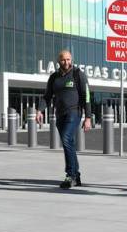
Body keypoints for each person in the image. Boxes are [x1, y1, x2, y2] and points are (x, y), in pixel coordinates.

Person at [37, 49, 92, 189]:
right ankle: (77, 175)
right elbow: (47, 96)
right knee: (70, 144)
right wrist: (40, 110)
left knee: (67, 139)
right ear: (58, 61)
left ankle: (70, 175)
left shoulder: (78, 74)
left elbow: (86, 96)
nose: (66, 62)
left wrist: (88, 117)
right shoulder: (54, 77)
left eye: (68, 59)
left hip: (74, 112)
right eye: (63, 59)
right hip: (60, 115)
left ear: (71, 59)